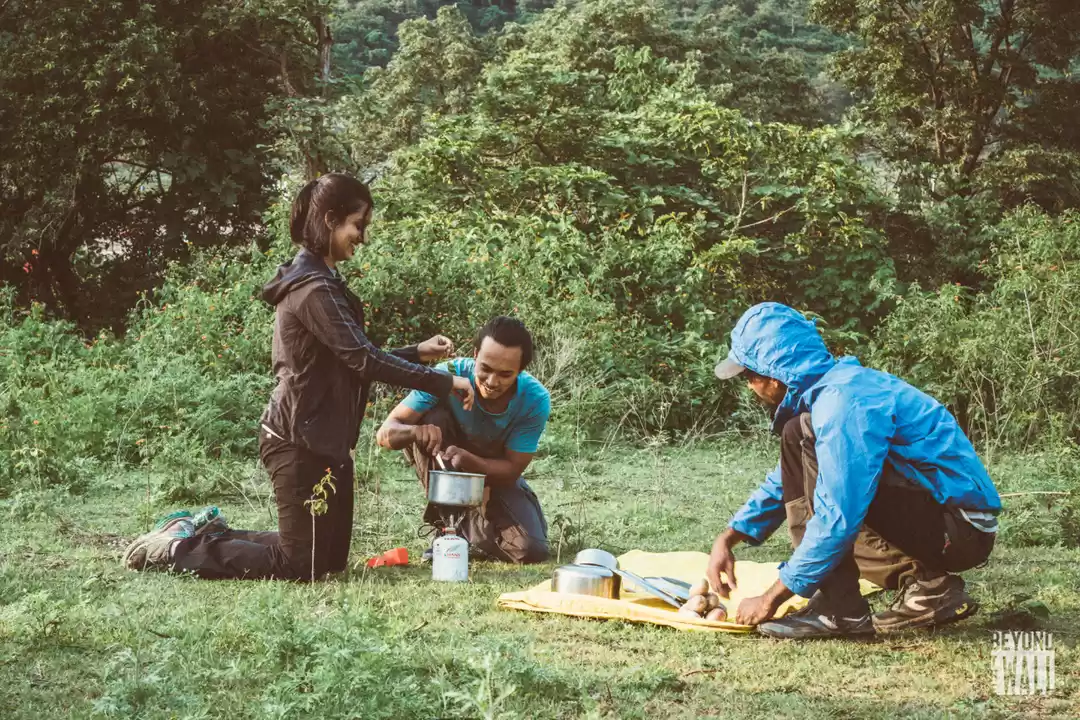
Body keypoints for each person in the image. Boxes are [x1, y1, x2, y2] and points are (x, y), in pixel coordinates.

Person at [123, 173, 475, 580]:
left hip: (325, 443)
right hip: (296, 440)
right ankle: (175, 549)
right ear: (330, 219)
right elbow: (363, 359)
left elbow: (348, 358)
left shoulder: (325, 280)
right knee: (301, 564)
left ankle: (209, 533)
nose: (362, 237)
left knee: (328, 560)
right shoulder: (312, 289)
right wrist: (444, 380)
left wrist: (415, 353)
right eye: (358, 225)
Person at [706, 302, 1000, 639]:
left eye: (750, 375)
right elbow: (788, 483)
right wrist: (729, 537)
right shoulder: (834, 392)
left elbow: (837, 515)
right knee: (800, 441)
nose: (750, 386)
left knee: (822, 489)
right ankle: (930, 587)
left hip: (958, 531)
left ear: (776, 374)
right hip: (948, 521)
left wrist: (771, 598)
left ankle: (839, 611)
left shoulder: (844, 403)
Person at [376, 316, 551, 564]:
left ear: (521, 371)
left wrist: (470, 461)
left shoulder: (535, 399)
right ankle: (446, 526)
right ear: (475, 354)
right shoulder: (448, 373)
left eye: (505, 374)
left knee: (530, 550)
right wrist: (415, 432)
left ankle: (471, 527)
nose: (491, 382)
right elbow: (385, 433)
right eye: (486, 369)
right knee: (432, 418)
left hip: (495, 477)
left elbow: (512, 469)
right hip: (445, 465)